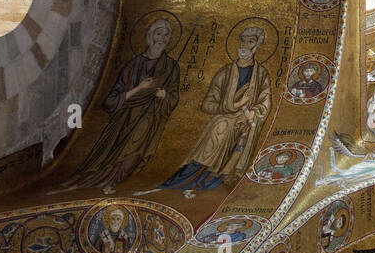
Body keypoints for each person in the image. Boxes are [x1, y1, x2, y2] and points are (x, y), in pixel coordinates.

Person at [63, 18, 180, 193]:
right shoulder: (133, 65)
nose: (162, 39)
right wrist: (138, 88)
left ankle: (114, 182)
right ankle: (91, 182)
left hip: (149, 118)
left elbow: (174, 97)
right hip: (123, 120)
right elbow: (110, 100)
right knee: (106, 155)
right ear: (150, 36)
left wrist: (165, 96)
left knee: (134, 151)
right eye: (158, 34)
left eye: (166, 35)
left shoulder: (171, 66)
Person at [161, 26, 272, 193]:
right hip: (222, 123)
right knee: (218, 130)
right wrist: (233, 105)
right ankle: (184, 180)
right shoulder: (225, 73)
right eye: (243, 41)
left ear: (256, 46)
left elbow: (265, 102)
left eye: (250, 42)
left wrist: (254, 112)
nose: (245, 46)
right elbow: (207, 104)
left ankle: (211, 183)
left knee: (236, 143)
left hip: (244, 124)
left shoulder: (261, 74)